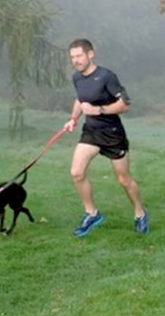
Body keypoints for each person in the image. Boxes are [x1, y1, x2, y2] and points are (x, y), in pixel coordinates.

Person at [63, 38, 148, 237]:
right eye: (73, 57)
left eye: (79, 56)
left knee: (124, 179)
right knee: (76, 173)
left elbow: (125, 105)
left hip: (112, 135)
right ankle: (92, 213)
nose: (76, 60)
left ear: (90, 54)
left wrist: (98, 109)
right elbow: (80, 99)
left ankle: (139, 212)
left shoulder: (106, 76)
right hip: (90, 133)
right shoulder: (77, 78)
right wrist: (73, 119)